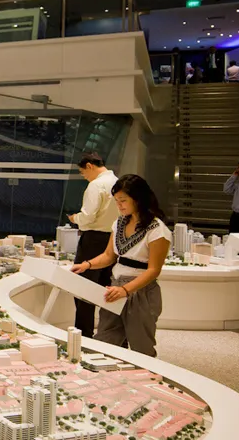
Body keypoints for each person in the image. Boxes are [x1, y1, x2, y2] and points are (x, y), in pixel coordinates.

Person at [71, 174, 171, 357]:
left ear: (138, 198)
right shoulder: (119, 223)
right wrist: (86, 265)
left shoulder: (158, 230)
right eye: (117, 201)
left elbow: (153, 270)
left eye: (123, 200)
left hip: (141, 292)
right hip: (115, 288)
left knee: (141, 347)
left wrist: (126, 290)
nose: (120, 205)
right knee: (104, 341)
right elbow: (109, 256)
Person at [67, 152, 119, 338]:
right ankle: (110, 334)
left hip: (93, 240)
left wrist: (75, 219)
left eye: (83, 172)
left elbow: (88, 217)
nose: (84, 176)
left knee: (83, 289)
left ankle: (84, 336)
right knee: (107, 288)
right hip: (114, 239)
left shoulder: (96, 185)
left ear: (89, 166)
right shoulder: (117, 182)